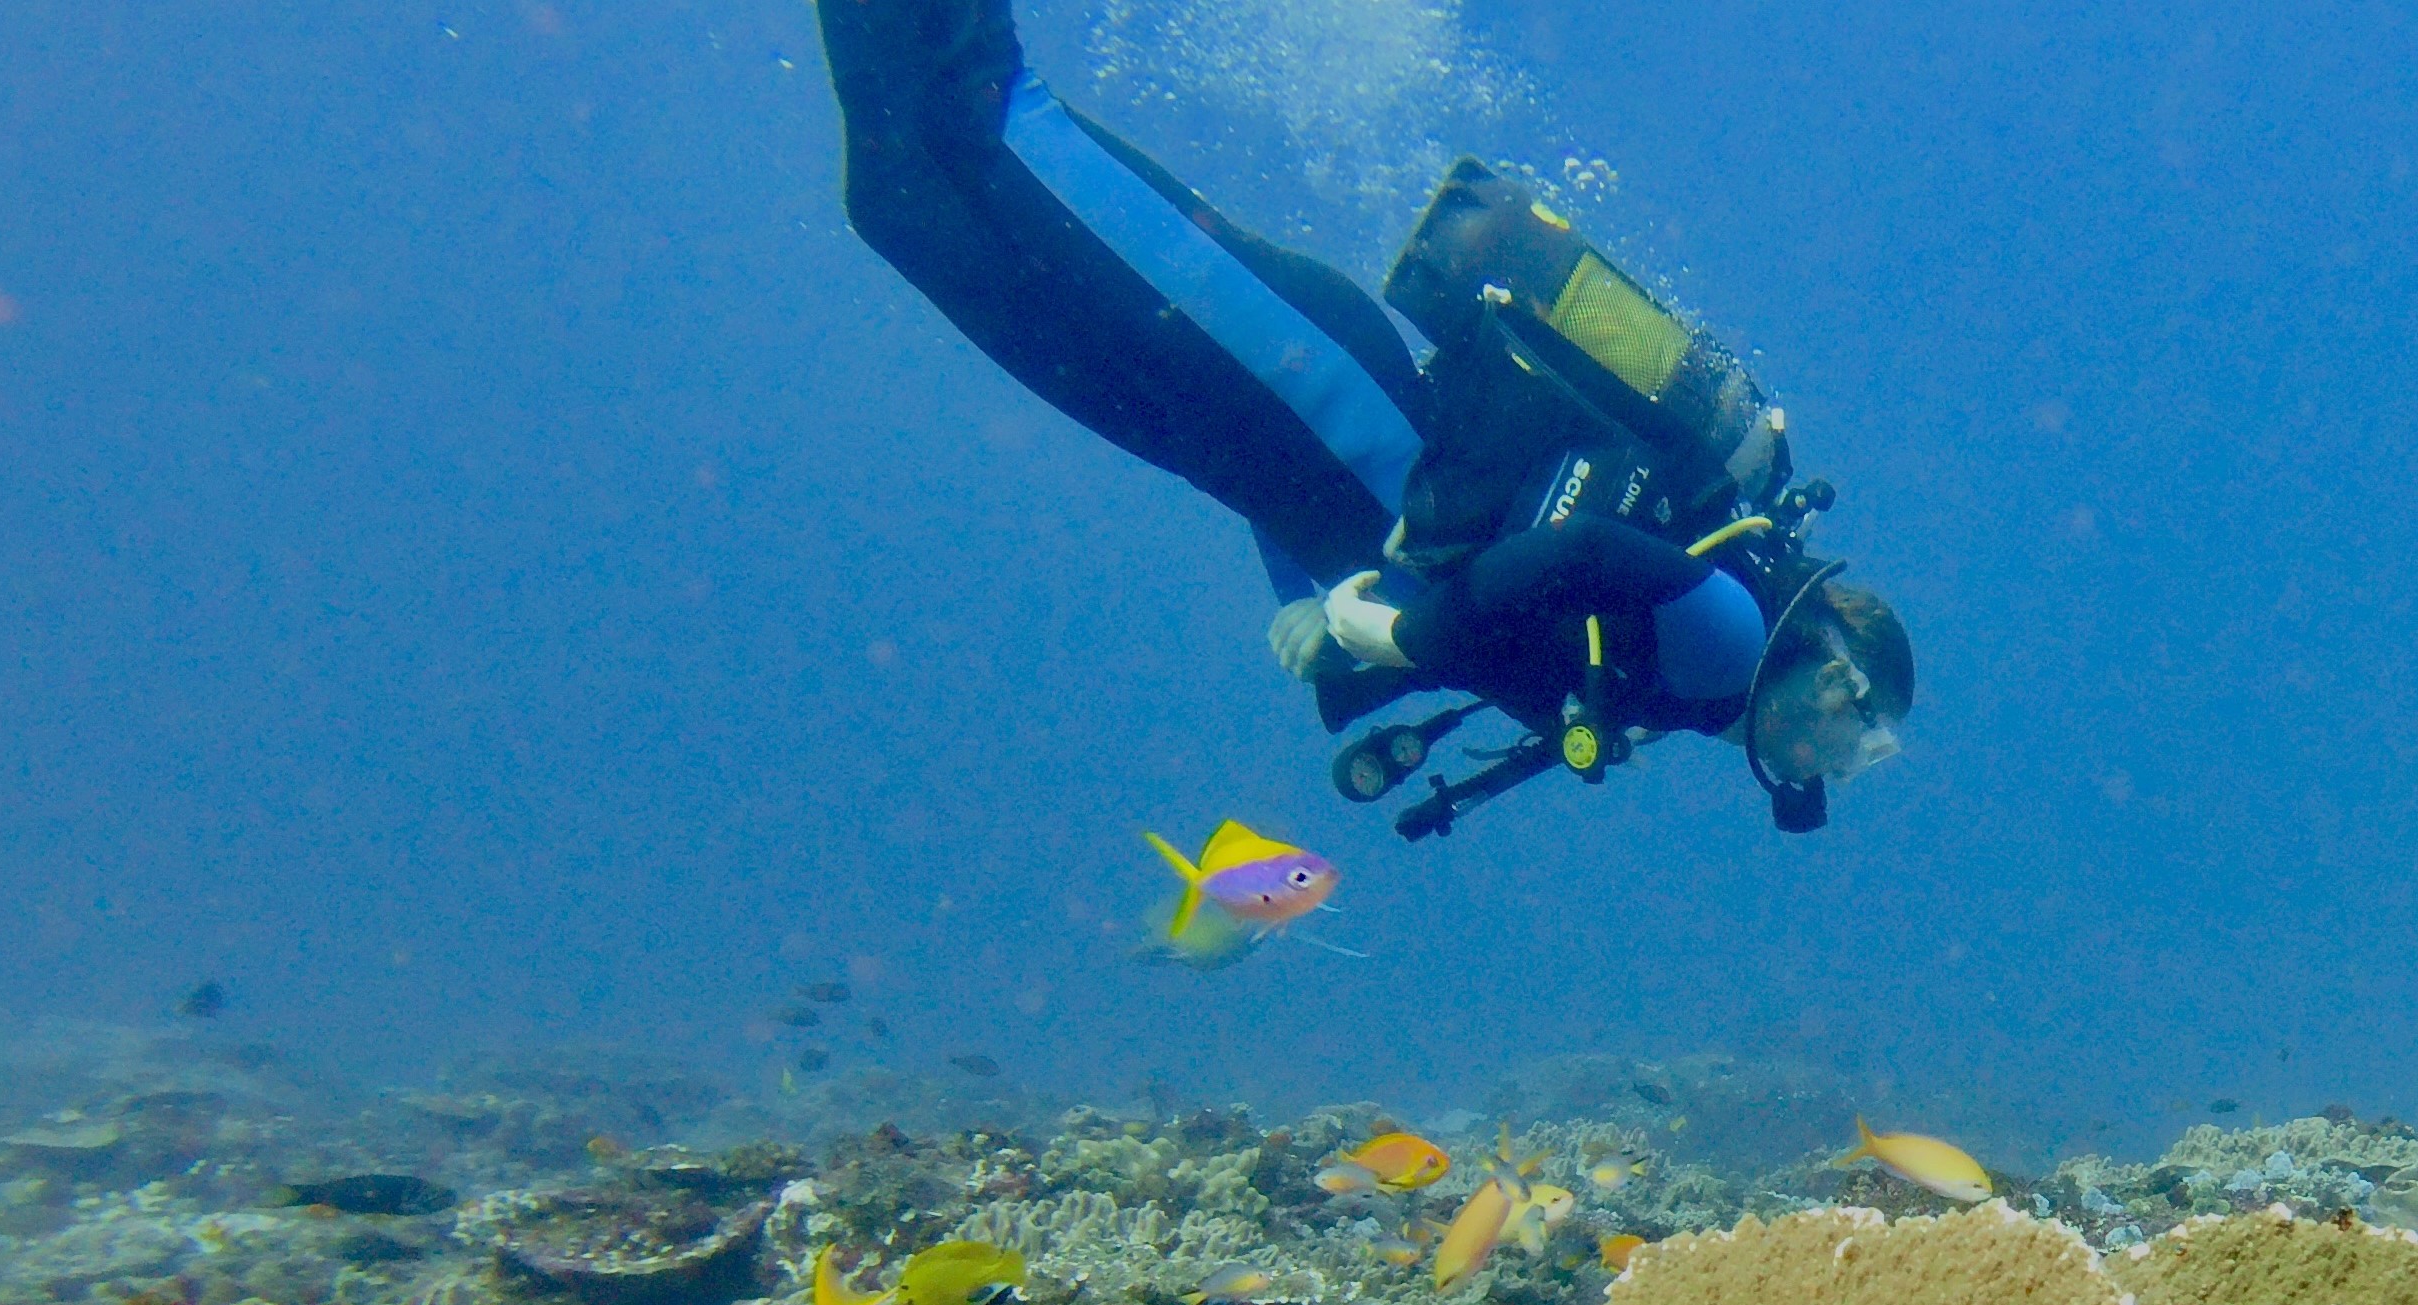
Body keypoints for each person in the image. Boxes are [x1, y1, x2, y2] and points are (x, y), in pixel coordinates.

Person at [812, 0, 1909, 833]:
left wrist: (1317, 605)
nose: (1822, 759)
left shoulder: (1681, 687)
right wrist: (1411, 633)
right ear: (1828, 665)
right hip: (1327, 385)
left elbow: (1450, 572)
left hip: (1265, 439)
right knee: (983, 125)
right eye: (1848, 730)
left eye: (1850, 760)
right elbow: (1571, 548)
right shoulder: (1725, 644)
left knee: (905, 203)